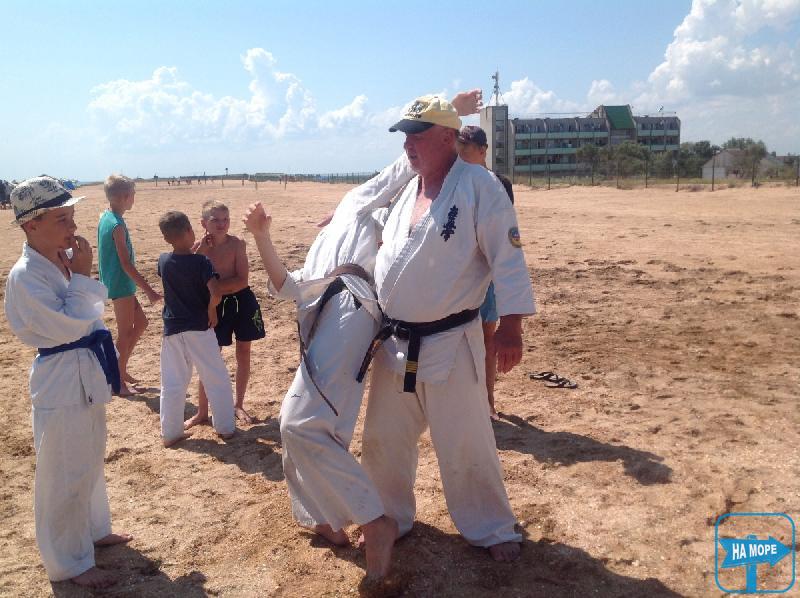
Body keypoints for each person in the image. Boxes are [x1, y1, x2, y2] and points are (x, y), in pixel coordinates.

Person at [360, 95, 536, 563]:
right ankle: (388, 517)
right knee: (383, 440)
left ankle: (492, 527)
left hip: (452, 340)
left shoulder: (480, 186)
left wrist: (511, 327)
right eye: (404, 136)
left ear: (446, 137)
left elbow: (508, 258)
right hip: (395, 341)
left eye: (417, 135)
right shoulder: (407, 191)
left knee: (466, 439)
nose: (408, 144)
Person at [5, 176, 132, 589]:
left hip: (84, 370)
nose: (72, 226)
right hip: (59, 377)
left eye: (72, 216)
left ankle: (94, 530)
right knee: (63, 471)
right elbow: (67, 325)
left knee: (89, 458)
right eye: (61, 219)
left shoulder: (60, 260)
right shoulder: (26, 275)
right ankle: (69, 563)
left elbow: (89, 312)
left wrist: (77, 274)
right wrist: (81, 276)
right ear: (31, 224)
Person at [156, 211, 236, 448]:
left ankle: (171, 432)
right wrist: (212, 311)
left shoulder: (163, 260)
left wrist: (197, 249)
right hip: (199, 327)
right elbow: (215, 292)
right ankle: (225, 428)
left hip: (172, 329)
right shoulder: (202, 262)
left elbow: (182, 264)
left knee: (172, 382)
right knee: (216, 378)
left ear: (166, 238)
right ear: (190, 231)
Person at [186, 200, 265, 427]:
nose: (221, 224)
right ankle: (202, 411)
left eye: (225, 219)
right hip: (213, 306)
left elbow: (242, 280)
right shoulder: (197, 249)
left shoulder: (237, 244)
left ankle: (239, 404)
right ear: (204, 223)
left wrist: (213, 287)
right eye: (215, 220)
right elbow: (189, 278)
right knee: (210, 357)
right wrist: (202, 252)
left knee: (244, 352)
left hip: (241, 302)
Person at [456, 125, 515, 420]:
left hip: (486, 274)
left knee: (486, 337)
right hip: (457, 274)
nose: (460, 154)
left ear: (483, 151)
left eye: (465, 148)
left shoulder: (499, 184)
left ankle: (488, 401)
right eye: (458, 148)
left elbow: (502, 233)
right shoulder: (453, 183)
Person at [98, 174, 162, 397]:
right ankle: (117, 381)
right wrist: (150, 291)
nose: (134, 197)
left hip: (118, 282)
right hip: (120, 283)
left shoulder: (106, 216)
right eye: (133, 194)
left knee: (142, 323)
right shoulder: (116, 225)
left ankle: (120, 369)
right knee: (125, 333)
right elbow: (126, 263)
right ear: (125, 197)